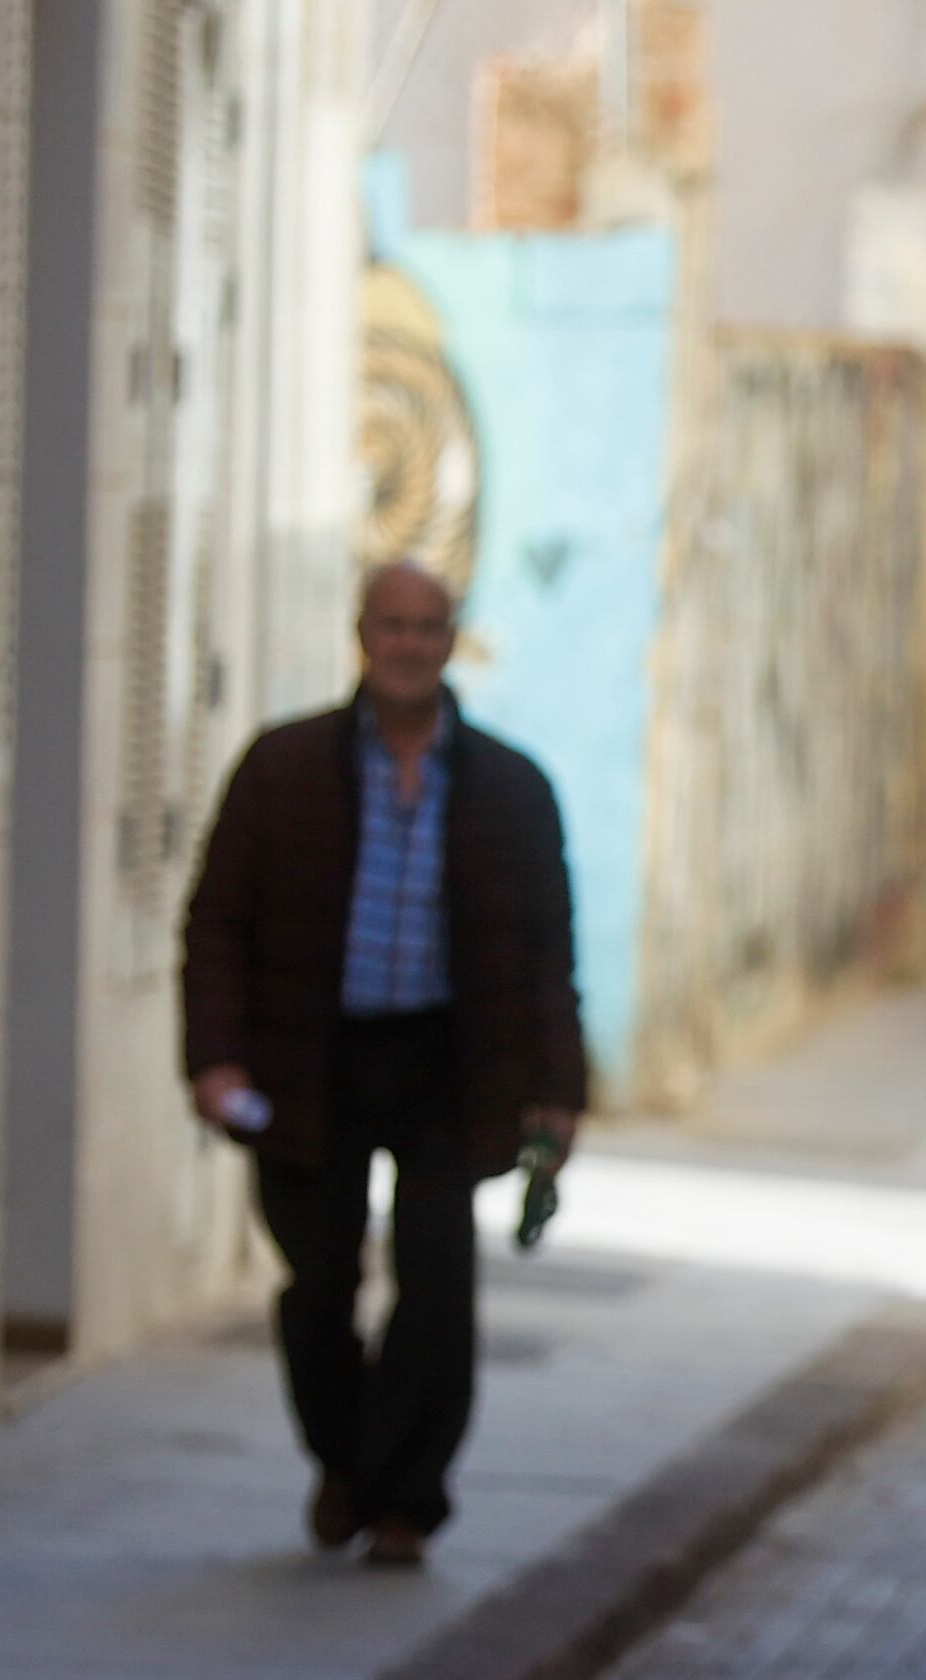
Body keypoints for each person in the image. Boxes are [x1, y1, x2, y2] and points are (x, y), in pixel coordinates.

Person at [180, 563, 588, 1566]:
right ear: (362, 635)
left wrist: (557, 1090)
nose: (407, 644)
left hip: (448, 1058)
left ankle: (405, 1496)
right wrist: (215, 1060)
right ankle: (344, 1458)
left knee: (439, 1281)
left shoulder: (508, 787)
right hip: (310, 1056)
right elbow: (218, 922)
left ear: (452, 642)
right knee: (318, 1281)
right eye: (389, 625)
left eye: (427, 627)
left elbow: (546, 950)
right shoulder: (283, 770)